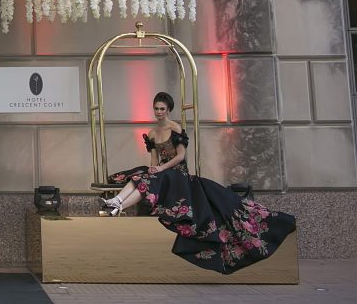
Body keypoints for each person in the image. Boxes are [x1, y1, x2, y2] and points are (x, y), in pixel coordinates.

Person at [101, 91, 296, 274]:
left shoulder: (175, 128)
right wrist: (154, 169)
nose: (159, 112)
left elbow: (180, 156)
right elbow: (154, 159)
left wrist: (161, 169)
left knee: (151, 178)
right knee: (142, 174)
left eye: (162, 109)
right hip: (162, 173)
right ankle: (117, 203)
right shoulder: (152, 134)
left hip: (178, 172)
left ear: (168, 110)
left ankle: (119, 204)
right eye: (156, 108)